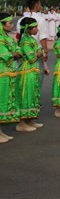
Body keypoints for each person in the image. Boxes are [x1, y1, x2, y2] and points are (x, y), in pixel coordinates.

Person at [16, 18, 43, 132]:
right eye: (35, 27)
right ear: (28, 29)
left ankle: (29, 119)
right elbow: (32, 58)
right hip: (27, 71)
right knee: (25, 95)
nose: (37, 29)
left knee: (32, 94)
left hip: (33, 70)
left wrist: (38, 52)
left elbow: (39, 52)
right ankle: (21, 122)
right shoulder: (25, 41)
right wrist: (38, 53)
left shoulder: (31, 40)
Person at [0, 13, 20, 142]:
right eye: (9, 23)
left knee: (7, 99)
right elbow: (6, 54)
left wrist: (14, 53)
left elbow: (18, 51)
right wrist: (13, 54)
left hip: (10, 71)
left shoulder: (9, 39)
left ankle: (1, 131)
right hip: (2, 72)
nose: (12, 25)